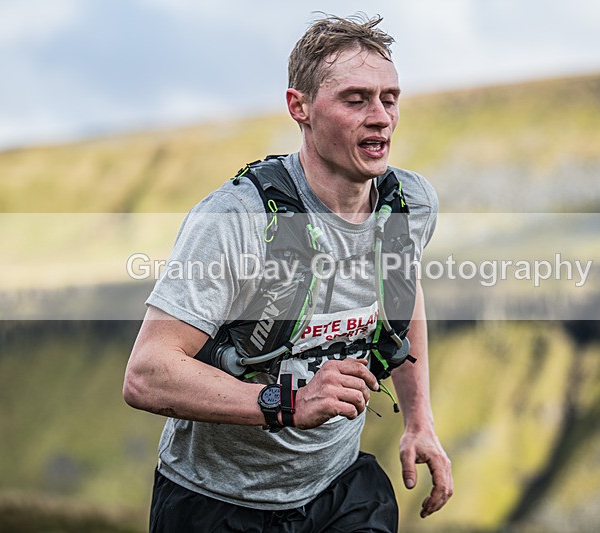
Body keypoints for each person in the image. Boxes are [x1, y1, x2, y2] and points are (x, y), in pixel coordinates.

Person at [123, 14, 452, 532]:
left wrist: (419, 421)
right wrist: (289, 403)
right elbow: (146, 374)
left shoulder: (409, 204)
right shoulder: (236, 219)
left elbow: (400, 299)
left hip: (340, 490)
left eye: (390, 98)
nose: (381, 117)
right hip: (217, 502)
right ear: (299, 107)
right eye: (355, 99)